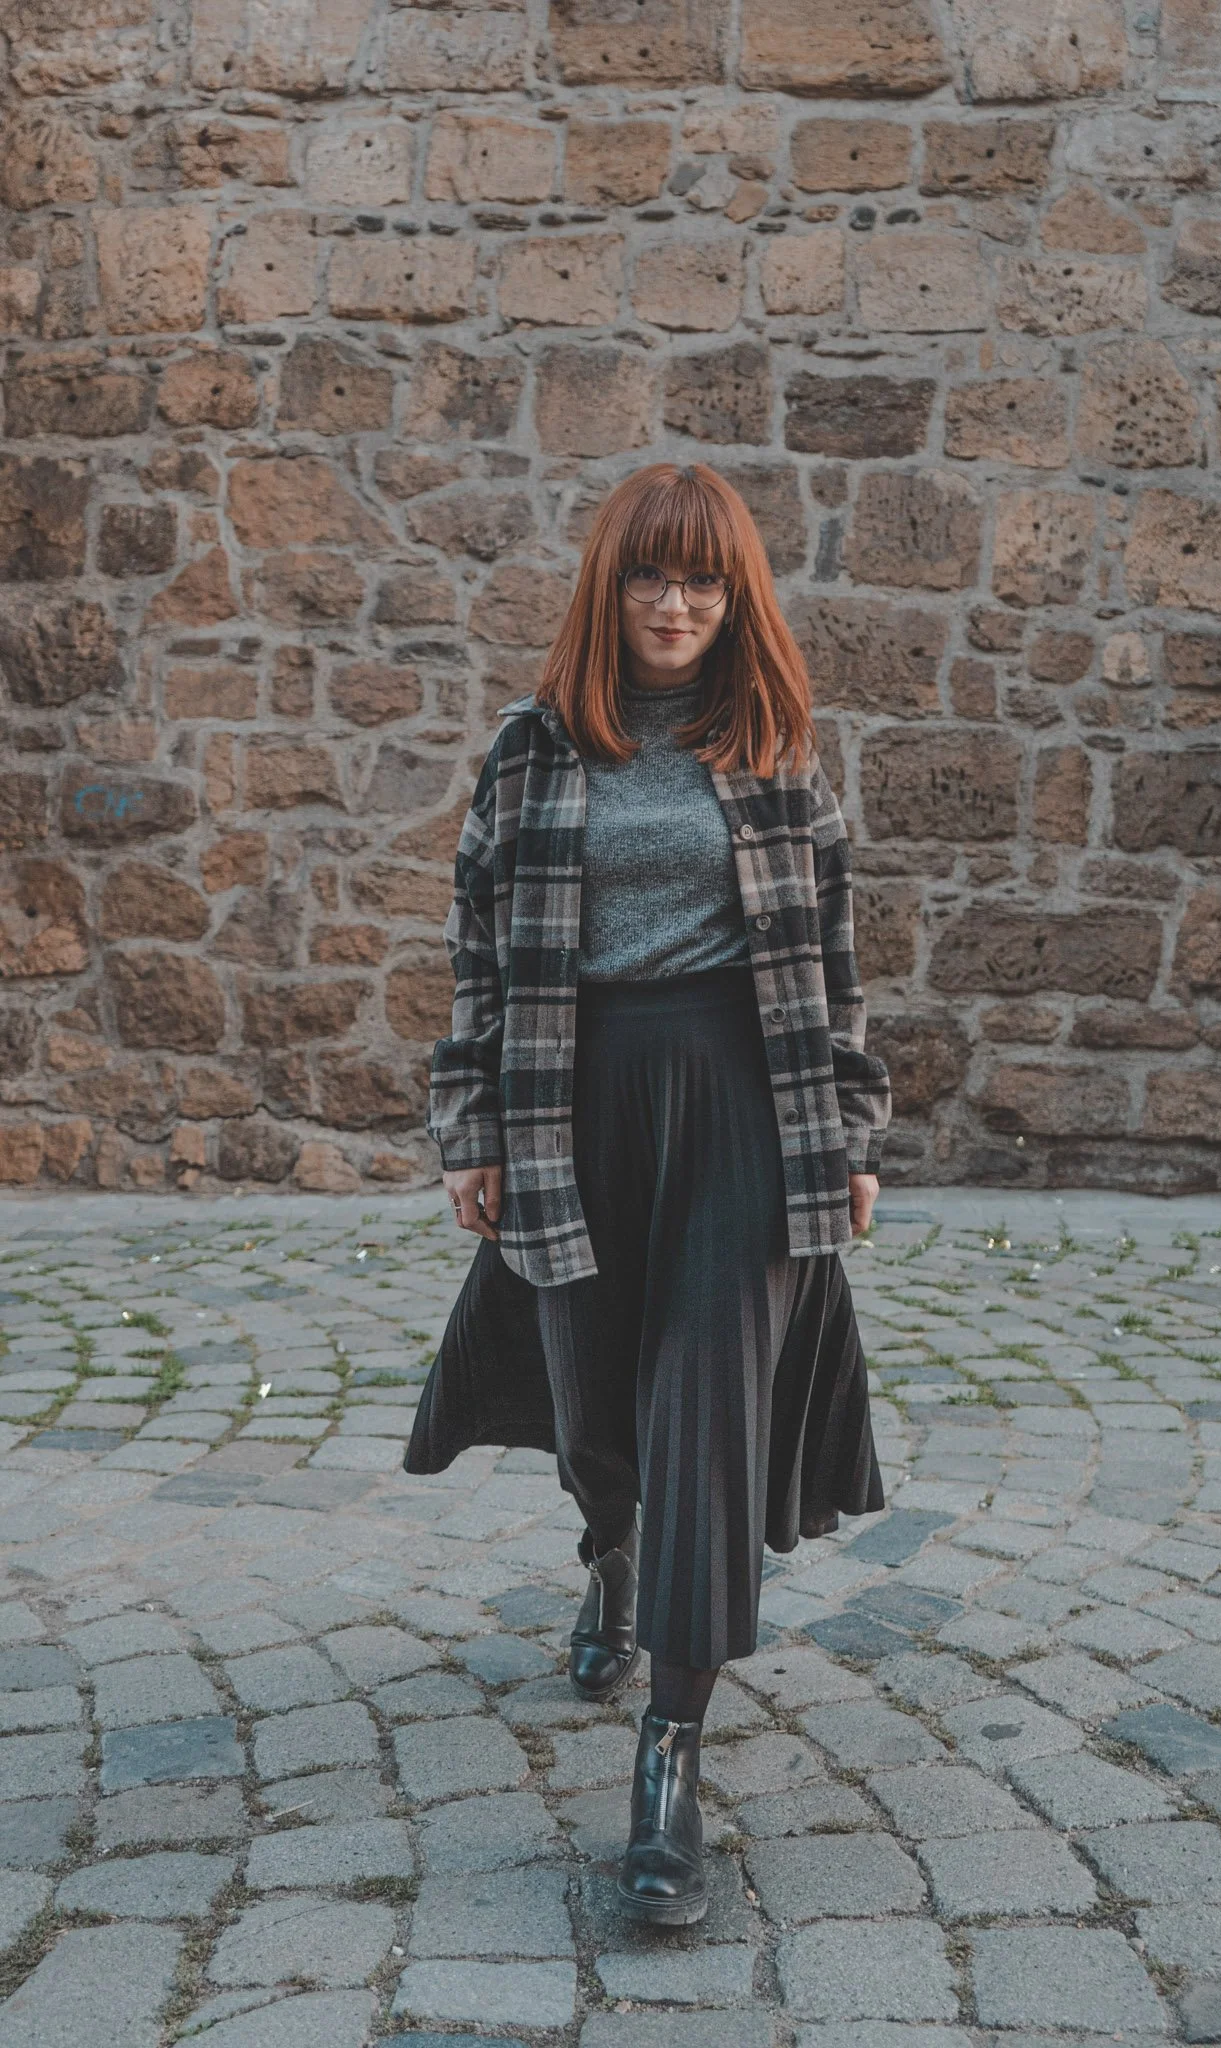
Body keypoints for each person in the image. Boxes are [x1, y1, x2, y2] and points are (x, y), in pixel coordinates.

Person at [429, 461, 892, 1926]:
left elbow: (830, 957)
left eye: (702, 578)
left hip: (747, 1109)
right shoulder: (534, 749)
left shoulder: (773, 747)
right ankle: (609, 1563)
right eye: (651, 575)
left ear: (734, 593)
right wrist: (471, 1127)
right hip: (576, 1100)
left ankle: (671, 1758)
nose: (677, 602)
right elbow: (482, 956)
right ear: (608, 589)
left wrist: (858, 1127)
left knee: (708, 1408)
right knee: (599, 1411)